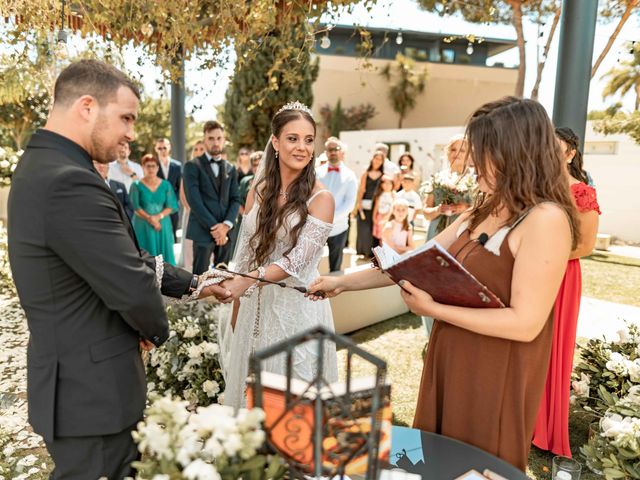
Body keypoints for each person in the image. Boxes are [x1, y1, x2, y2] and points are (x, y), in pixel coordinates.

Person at [309, 97, 579, 472]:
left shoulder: (546, 219)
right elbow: (411, 264)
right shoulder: (481, 208)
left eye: (481, 153)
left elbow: (526, 322)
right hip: (452, 355)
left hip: (494, 372)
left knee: (476, 465)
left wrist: (434, 310)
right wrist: (340, 283)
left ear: (514, 152)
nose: (470, 164)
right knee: (436, 463)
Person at [6, 59, 230, 480]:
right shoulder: (68, 180)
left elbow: (121, 260)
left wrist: (198, 282)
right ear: (87, 106)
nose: (131, 132)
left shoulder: (44, 166)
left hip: (78, 387)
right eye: (126, 118)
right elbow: (130, 283)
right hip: (91, 396)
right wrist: (152, 330)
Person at [218, 101, 337, 411]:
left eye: (309, 139)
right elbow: (244, 253)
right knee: (250, 395)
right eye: (292, 138)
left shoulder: (321, 198)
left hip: (297, 311)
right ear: (275, 142)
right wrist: (235, 304)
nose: (302, 147)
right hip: (254, 307)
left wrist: (247, 282)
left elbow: (295, 263)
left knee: (291, 400)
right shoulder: (259, 189)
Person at [532, 127, 601, 457]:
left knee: (553, 346)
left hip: (562, 277)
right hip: (528, 272)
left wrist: (545, 256)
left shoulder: (583, 192)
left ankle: (545, 429)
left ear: (570, 154)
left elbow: (586, 245)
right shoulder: (535, 187)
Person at [183, 121, 241, 273]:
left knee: (223, 276)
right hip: (202, 230)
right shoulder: (192, 166)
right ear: (204, 140)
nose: (215, 142)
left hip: (226, 233)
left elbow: (235, 199)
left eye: (219, 138)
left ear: (223, 139)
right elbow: (194, 201)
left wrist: (226, 226)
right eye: (211, 138)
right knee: (199, 279)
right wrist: (216, 229)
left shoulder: (230, 168)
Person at [316, 137, 358, 272]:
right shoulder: (316, 173)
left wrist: (329, 218)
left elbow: (349, 204)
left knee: (335, 266)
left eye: (336, 149)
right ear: (326, 152)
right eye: (330, 149)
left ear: (342, 152)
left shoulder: (350, 175)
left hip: (339, 227)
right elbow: (311, 197)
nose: (333, 152)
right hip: (317, 226)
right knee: (312, 263)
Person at [130, 154, 179, 265]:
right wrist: (150, 219)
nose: (151, 169)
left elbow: (171, 206)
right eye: (148, 166)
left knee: (165, 256)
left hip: (163, 224)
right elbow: (136, 207)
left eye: (153, 166)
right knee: (145, 255)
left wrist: (158, 217)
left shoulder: (166, 185)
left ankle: (167, 281)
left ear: (158, 168)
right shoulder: (136, 185)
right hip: (143, 224)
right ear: (143, 167)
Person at [423, 134, 472, 240]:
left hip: (461, 235)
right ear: (447, 152)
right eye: (453, 149)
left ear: (469, 155)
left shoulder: (475, 179)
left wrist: (465, 209)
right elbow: (425, 213)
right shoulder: (436, 178)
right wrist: (438, 209)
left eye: (462, 150)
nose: (456, 153)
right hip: (436, 233)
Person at [178, 141, 206, 270]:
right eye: (196, 149)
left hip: (208, 214)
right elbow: (183, 194)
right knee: (190, 244)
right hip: (191, 212)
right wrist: (193, 210)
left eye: (202, 149)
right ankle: (190, 273)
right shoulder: (188, 169)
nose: (199, 151)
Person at [355, 151, 384, 257]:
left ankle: (374, 253)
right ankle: (364, 251)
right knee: (364, 229)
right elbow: (361, 190)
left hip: (377, 206)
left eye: (380, 159)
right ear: (372, 159)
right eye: (376, 158)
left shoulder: (383, 176)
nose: (377, 161)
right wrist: (359, 205)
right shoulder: (365, 173)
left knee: (374, 229)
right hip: (365, 205)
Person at [154, 138, 182, 241]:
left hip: (173, 206)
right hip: (157, 207)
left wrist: (173, 201)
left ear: (169, 147)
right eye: (159, 148)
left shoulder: (177, 166)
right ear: (156, 149)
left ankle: (171, 256)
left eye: (164, 148)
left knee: (173, 235)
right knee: (159, 236)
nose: (162, 150)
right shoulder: (153, 166)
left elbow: (180, 187)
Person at [372, 175, 396, 245]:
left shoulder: (393, 194)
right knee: (379, 235)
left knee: (386, 235)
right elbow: (376, 207)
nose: (387, 185)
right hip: (379, 216)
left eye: (389, 183)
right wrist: (374, 217)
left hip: (389, 218)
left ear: (392, 185)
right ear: (381, 185)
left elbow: (393, 206)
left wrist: (387, 217)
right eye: (385, 183)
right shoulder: (380, 194)